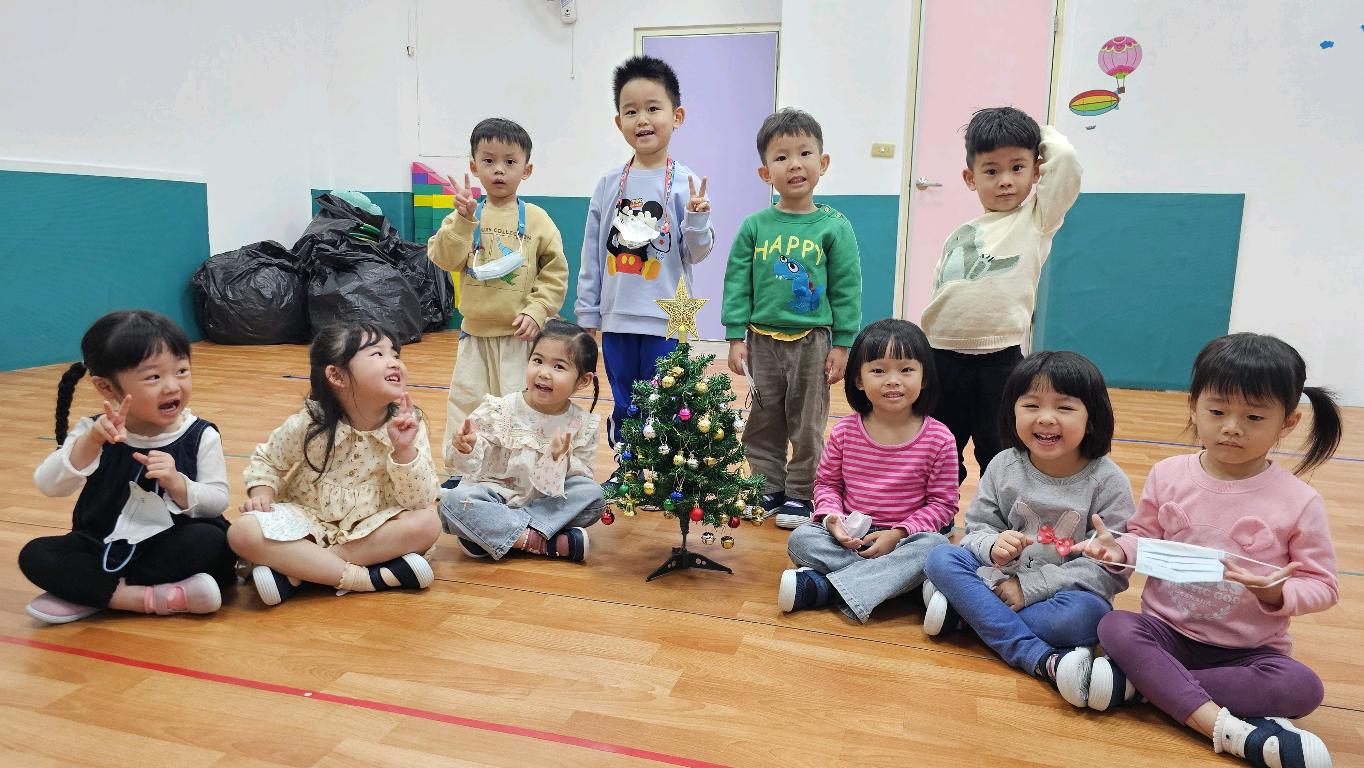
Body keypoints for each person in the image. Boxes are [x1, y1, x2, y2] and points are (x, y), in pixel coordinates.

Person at [1077, 333, 1342, 768]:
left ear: (1288, 422)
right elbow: (1143, 537)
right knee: (1114, 625)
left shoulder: (1299, 502)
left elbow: (1323, 585)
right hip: (1165, 632)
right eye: (1217, 411)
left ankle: (1143, 686)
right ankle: (1222, 724)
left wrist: (1276, 593)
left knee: (1303, 688)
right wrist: (1118, 550)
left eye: (1254, 416)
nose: (1232, 426)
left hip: (1248, 653)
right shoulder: (1168, 474)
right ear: (1193, 406)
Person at [921, 350, 1133, 707]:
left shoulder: (1108, 482)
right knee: (940, 556)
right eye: (1031, 405)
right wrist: (993, 544)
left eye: (1064, 407)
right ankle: (1040, 657)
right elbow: (977, 528)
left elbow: (1110, 571)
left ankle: (967, 614)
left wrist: (1030, 587)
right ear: (1011, 411)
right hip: (999, 579)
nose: (1046, 418)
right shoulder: (1004, 465)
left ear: (1092, 417)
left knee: (1085, 618)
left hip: (1063, 595)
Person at [20, 310, 233, 623]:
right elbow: (48, 485)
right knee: (35, 554)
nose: (172, 387)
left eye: (182, 371)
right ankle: (143, 598)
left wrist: (178, 483)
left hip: (169, 545)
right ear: (106, 387)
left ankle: (95, 591)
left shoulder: (200, 434)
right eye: (153, 377)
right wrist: (91, 443)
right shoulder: (92, 431)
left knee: (213, 542)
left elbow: (218, 501)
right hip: (102, 542)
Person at [227, 323, 442, 606]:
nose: (394, 362)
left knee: (427, 522)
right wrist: (261, 494)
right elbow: (268, 460)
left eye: (395, 354)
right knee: (242, 532)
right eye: (377, 354)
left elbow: (419, 500)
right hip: (309, 522)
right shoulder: (310, 422)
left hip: (372, 529)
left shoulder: (408, 423)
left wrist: (404, 451)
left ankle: (300, 572)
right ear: (337, 375)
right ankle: (366, 578)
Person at [920, 107, 1081, 483]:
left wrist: (1035, 132)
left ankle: (1000, 513)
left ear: (1036, 172)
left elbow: (1066, 160)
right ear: (970, 178)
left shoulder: (1037, 220)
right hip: (941, 356)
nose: (1006, 180)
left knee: (1001, 450)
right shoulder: (961, 232)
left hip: (999, 359)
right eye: (991, 171)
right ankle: (937, 510)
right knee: (939, 449)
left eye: (1017, 168)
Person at [573, 55, 713, 486]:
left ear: (676, 116)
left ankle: (668, 474)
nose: (643, 119)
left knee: (667, 400)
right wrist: (587, 312)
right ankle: (630, 467)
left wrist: (697, 219)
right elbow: (593, 253)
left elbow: (697, 253)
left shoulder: (686, 182)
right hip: (617, 316)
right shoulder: (608, 184)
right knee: (625, 400)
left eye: (654, 108)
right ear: (619, 123)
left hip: (668, 318)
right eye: (631, 111)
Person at [722, 108, 862, 528]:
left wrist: (842, 344)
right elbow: (737, 283)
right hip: (761, 340)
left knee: (807, 423)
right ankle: (767, 487)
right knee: (763, 419)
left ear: (823, 162)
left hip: (812, 342)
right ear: (765, 173)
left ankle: (801, 493)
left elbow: (847, 287)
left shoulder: (834, 227)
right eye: (781, 157)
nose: (794, 164)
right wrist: (735, 336)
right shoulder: (754, 226)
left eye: (804, 153)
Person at [779, 319, 955, 622]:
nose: (893, 381)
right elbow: (827, 485)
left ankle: (825, 588)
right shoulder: (844, 432)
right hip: (851, 538)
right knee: (801, 539)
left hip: (905, 539)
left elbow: (943, 505)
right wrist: (833, 520)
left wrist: (898, 534)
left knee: (936, 547)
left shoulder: (940, 438)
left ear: (925, 377)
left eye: (906, 370)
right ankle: (903, 587)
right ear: (859, 380)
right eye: (878, 371)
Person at [428, 117, 568, 479]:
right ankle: (463, 474)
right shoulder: (465, 214)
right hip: (474, 339)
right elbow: (443, 258)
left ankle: (520, 474)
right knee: (467, 406)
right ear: (474, 167)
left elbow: (555, 273)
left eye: (510, 161)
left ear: (526, 170)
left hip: (519, 341)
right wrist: (462, 221)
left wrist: (538, 309)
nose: (499, 170)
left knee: (519, 410)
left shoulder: (537, 220)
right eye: (488, 161)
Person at [438, 320, 603, 563]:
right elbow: (467, 467)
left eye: (558, 366)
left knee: (593, 495)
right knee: (452, 502)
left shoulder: (582, 425)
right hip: (494, 497)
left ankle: (496, 533)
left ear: (583, 381)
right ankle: (541, 541)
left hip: (545, 503)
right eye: (537, 360)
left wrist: (556, 460)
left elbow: (577, 482)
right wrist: (466, 447)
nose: (543, 372)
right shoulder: (499, 409)